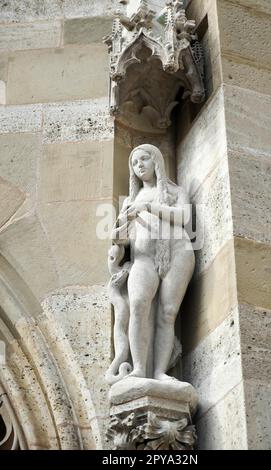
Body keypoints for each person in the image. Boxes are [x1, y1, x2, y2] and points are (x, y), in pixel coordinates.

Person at [110, 144, 195, 381]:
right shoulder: (130, 199)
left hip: (178, 252)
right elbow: (121, 239)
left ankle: (159, 371)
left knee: (168, 313)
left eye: (144, 159)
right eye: (135, 163)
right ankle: (138, 367)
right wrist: (122, 224)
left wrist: (148, 207)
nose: (140, 166)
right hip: (143, 258)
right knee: (137, 306)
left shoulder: (174, 191)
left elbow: (184, 217)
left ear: (156, 161)